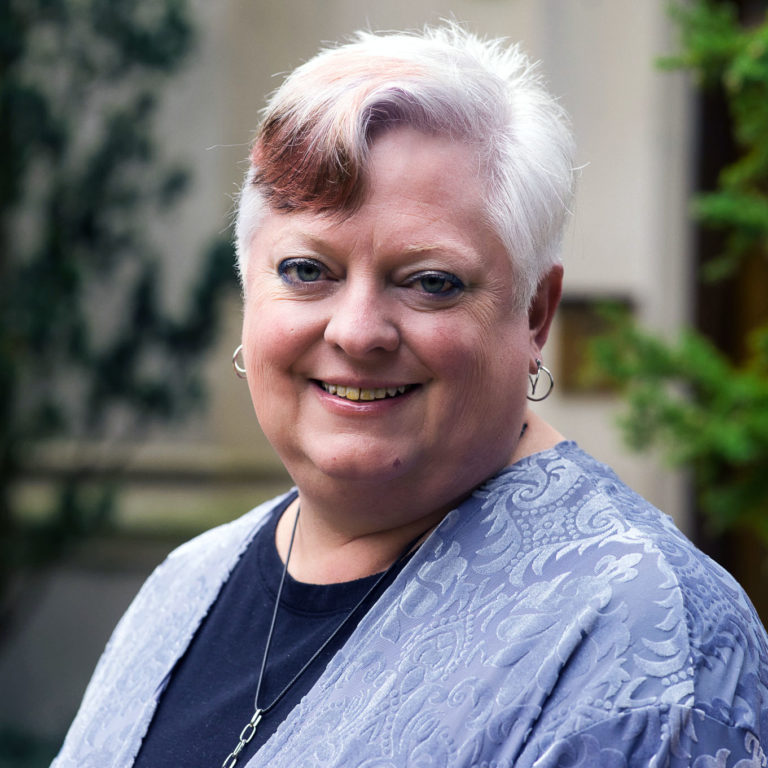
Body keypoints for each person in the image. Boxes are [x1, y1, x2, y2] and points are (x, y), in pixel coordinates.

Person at [52, 24, 768, 768]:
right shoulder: (184, 587)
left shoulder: (639, 631)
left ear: (533, 315)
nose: (358, 332)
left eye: (431, 282)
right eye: (304, 270)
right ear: (247, 292)